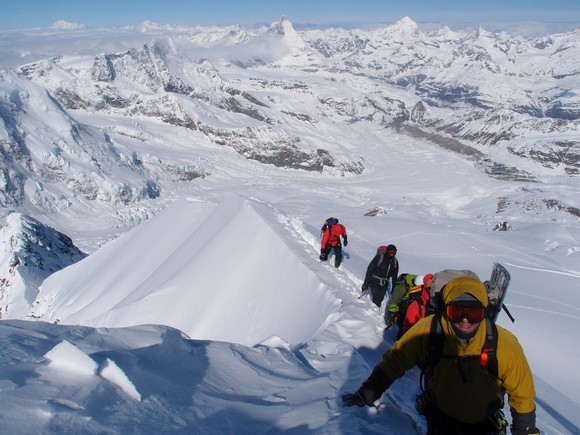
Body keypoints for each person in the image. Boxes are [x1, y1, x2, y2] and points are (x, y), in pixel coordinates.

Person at [344, 276, 539, 435]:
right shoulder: (430, 330)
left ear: (484, 312)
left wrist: (525, 430)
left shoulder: (502, 343)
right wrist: (367, 394)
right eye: (457, 311)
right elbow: (396, 360)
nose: (465, 320)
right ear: (446, 309)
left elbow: (522, 392)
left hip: (484, 423)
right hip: (440, 419)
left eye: (474, 312)